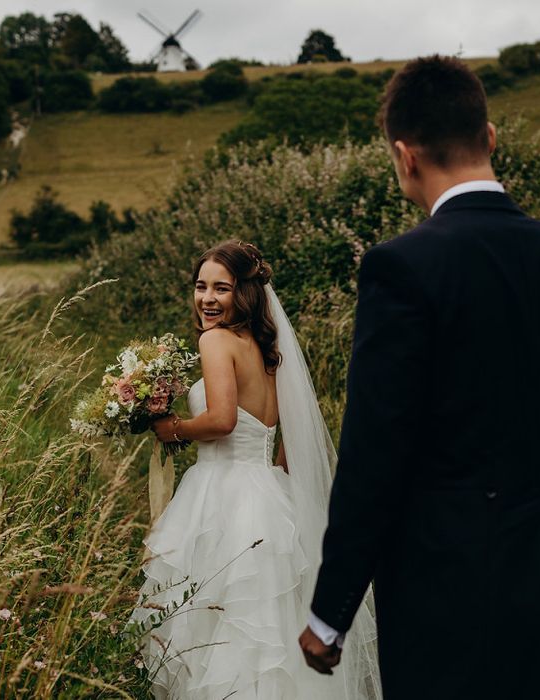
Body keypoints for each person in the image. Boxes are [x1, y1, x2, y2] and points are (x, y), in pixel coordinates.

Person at [300, 56, 540, 699]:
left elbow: (377, 452)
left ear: (405, 156)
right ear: (489, 138)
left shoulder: (399, 268)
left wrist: (330, 613)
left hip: (444, 590)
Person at [128, 241, 380, 699]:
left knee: (220, 626)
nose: (207, 298)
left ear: (244, 293)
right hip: (268, 491)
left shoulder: (215, 340)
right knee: (271, 624)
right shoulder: (268, 349)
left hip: (221, 493)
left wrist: (174, 428)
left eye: (220, 289)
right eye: (200, 286)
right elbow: (289, 441)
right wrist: (274, 480)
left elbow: (222, 420)